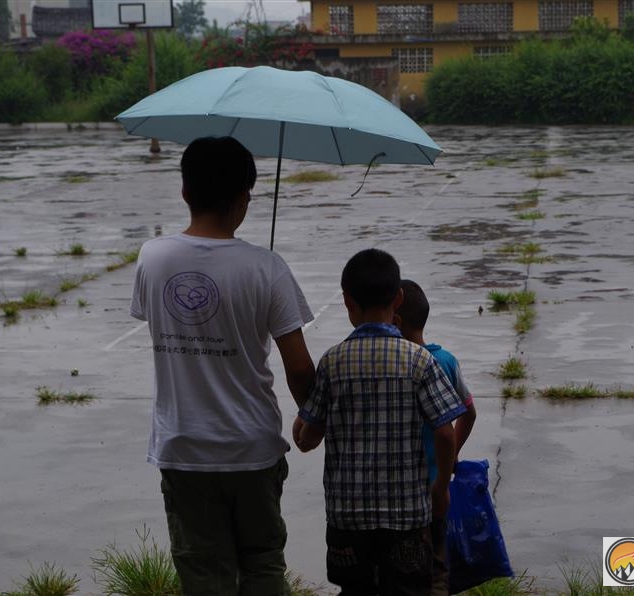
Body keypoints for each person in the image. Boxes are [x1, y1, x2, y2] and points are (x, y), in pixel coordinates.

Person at [129, 136, 316, 596]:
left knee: (203, 572)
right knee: (263, 563)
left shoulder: (152, 258)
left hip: (183, 447)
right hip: (252, 448)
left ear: (185, 191)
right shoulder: (267, 267)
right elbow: (299, 368)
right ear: (243, 199)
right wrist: (314, 418)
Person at [294, 248, 468, 596]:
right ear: (398, 298)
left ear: (347, 302)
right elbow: (446, 434)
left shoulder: (333, 362)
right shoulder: (420, 361)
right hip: (406, 518)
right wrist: (440, 488)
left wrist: (300, 427)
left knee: (356, 590)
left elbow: (308, 439)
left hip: (348, 522)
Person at [393, 279, 477, 596]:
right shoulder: (446, 361)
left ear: (395, 321)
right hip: (435, 489)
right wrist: (450, 457)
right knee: (436, 569)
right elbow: (468, 414)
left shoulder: (398, 364)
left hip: (399, 496)